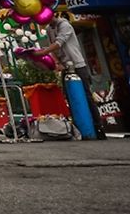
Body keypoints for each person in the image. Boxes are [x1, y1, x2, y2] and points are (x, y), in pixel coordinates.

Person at [34, 11, 105, 139]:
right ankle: (78, 127)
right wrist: (57, 62)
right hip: (65, 66)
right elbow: (54, 47)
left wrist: (43, 53)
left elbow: (58, 43)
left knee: (86, 96)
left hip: (78, 65)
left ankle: (98, 126)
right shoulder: (49, 29)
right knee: (70, 96)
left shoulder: (64, 25)